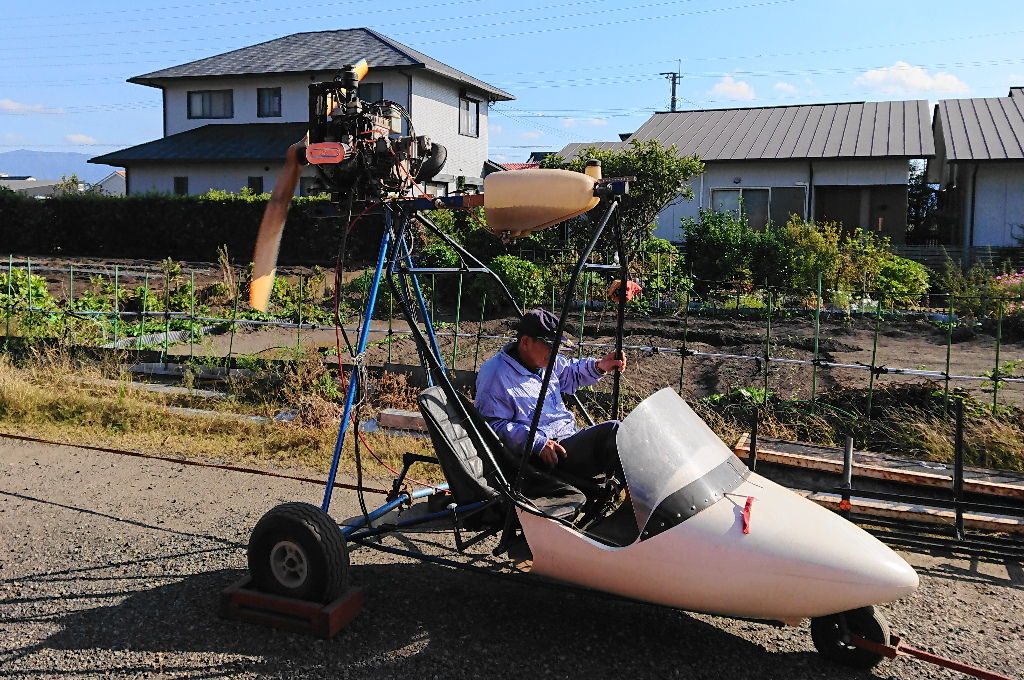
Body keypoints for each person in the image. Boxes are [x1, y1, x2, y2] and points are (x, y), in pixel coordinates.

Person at [474, 309, 626, 482]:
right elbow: (492, 426)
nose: (555, 353)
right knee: (615, 431)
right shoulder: (496, 375)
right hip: (543, 455)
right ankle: (634, 507)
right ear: (525, 342)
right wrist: (535, 442)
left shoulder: (546, 363)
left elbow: (571, 373)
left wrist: (600, 366)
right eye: (549, 346)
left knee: (631, 433)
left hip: (567, 436)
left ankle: (638, 501)